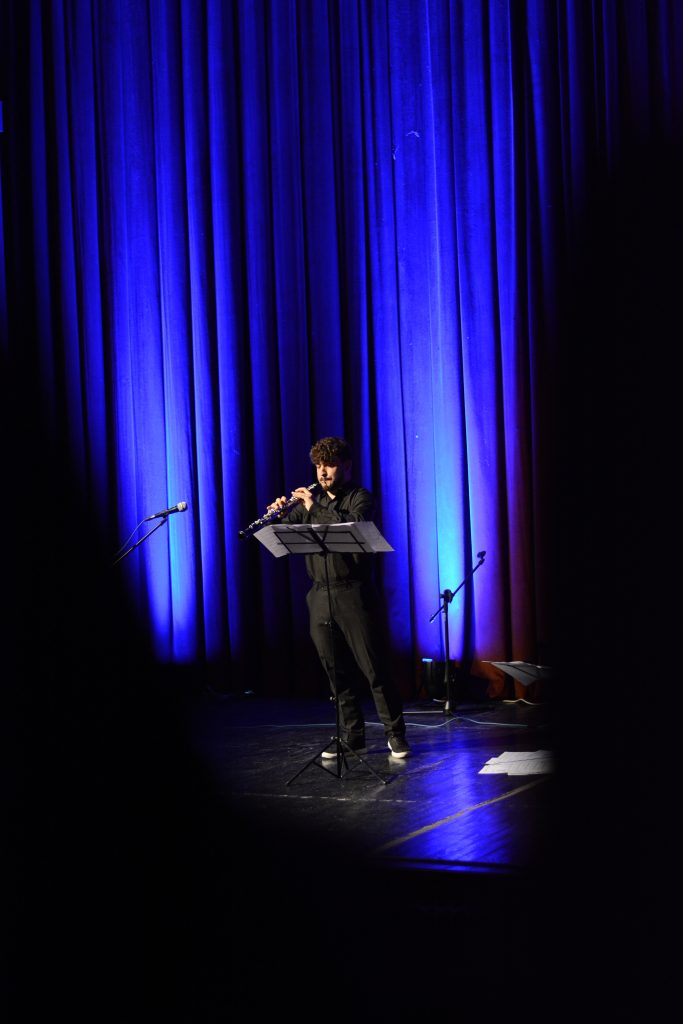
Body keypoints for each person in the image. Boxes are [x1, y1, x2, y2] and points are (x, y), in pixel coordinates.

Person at [268, 436, 410, 758]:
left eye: (329, 465)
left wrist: (312, 508)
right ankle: (352, 736)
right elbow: (284, 530)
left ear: (346, 466)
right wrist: (277, 514)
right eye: (318, 466)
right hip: (319, 594)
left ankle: (395, 734)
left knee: (374, 668)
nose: (322, 472)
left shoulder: (360, 497)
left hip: (354, 593)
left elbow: (354, 526)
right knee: (336, 672)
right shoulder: (311, 500)